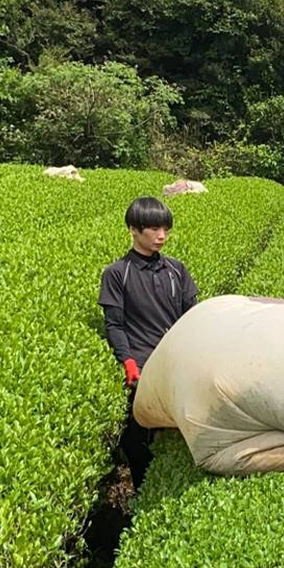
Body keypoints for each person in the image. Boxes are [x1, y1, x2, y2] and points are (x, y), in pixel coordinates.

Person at [99, 196, 199, 486]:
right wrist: (128, 361)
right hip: (142, 367)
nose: (161, 236)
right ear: (133, 229)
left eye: (165, 229)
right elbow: (114, 324)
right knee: (138, 438)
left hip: (176, 365)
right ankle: (142, 489)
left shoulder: (176, 271)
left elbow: (193, 314)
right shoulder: (118, 274)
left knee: (178, 435)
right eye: (154, 229)